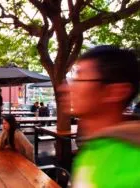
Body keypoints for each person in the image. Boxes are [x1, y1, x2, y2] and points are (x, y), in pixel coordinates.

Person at [58, 45, 140, 187]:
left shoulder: (133, 164)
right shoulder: (92, 148)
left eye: (80, 78)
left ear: (116, 92)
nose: (65, 88)